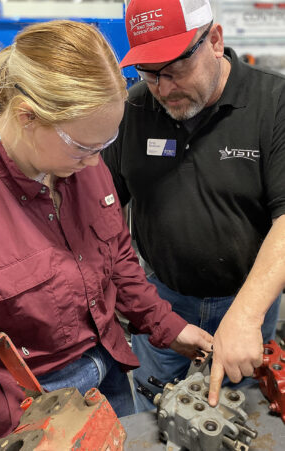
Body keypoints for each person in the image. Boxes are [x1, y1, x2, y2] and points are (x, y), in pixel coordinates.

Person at [0, 20, 213, 450]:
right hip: (14, 413)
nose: (96, 166)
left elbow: (117, 260)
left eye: (104, 144)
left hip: (106, 375)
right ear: (26, 117)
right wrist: (23, 417)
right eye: (84, 148)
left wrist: (167, 326)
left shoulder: (77, 163)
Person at [103, 0, 285, 413]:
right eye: (149, 75)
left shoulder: (274, 103)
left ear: (215, 41)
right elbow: (103, 211)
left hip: (247, 299)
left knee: (239, 414)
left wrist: (246, 315)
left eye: (175, 69)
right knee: (156, 410)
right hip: (163, 302)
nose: (164, 89)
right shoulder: (133, 111)